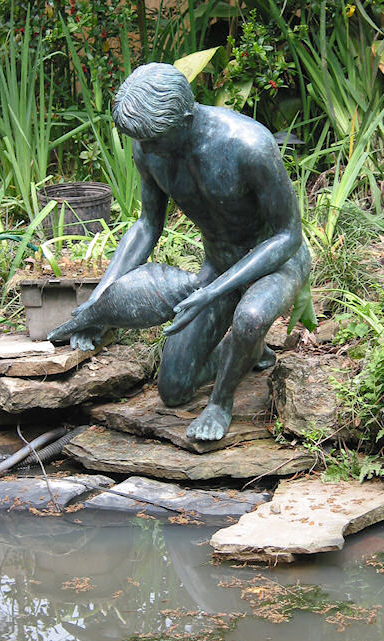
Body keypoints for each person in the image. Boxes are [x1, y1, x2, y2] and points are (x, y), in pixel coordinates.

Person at [48, 62, 315, 441]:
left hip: (275, 262)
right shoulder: (150, 148)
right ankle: (246, 355)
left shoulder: (248, 146)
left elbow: (288, 236)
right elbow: (146, 226)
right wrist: (98, 304)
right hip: (219, 265)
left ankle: (221, 401)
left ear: (186, 120)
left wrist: (214, 290)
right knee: (174, 389)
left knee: (251, 318)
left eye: (155, 140)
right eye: (142, 141)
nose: (146, 149)